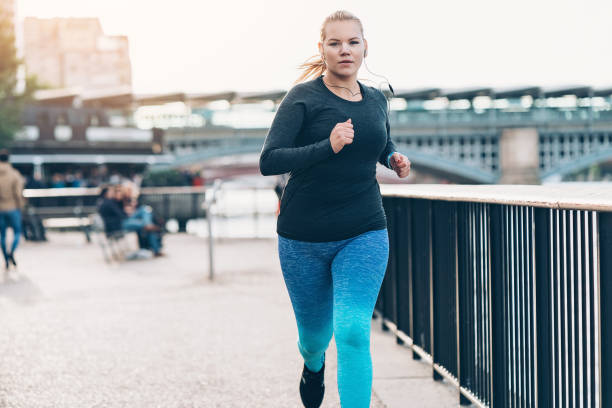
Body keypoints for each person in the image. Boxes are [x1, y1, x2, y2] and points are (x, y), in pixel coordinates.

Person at [259, 10, 410, 408]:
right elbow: (270, 160)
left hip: (364, 229)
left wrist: (392, 157)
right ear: (322, 49)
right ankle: (312, 364)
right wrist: (327, 145)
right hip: (303, 236)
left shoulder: (376, 99)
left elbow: (379, 143)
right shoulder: (302, 98)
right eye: (335, 42)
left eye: (353, 42)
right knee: (313, 338)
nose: (345, 50)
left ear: (364, 47)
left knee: (353, 331)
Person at [0, 149, 25, 270]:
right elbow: (18, 193)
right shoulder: (14, 174)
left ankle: (5, 258)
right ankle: (12, 252)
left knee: (2, 235)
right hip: (13, 207)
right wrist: (21, 206)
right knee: (17, 233)